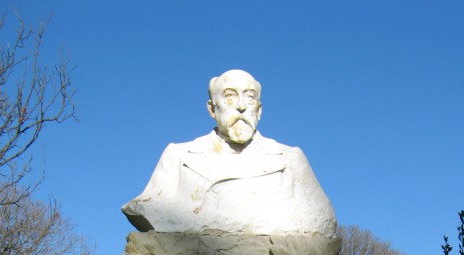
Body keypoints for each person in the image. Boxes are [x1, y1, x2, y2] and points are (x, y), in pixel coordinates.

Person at [122, 69, 336, 238]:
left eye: (250, 98)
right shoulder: (178, 156)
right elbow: (149, 209)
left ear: (259, 110)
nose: (241, 106)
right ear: (212, 109)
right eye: (230, 96)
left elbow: (321, 221)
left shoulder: (290, 159)